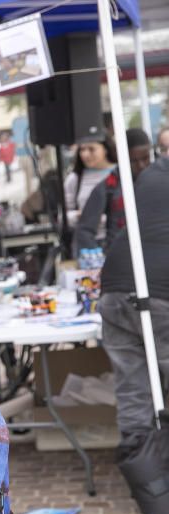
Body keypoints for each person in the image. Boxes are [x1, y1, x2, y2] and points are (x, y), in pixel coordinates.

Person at [99, 154, 169, 454]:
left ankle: (146, 478)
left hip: (115, 283)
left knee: (132, 388)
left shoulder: (153, 172)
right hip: (155, 288)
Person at [75, 128, 152, 253]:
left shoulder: (160, 178)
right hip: (121, 256)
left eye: (145, 158)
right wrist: (98, 259)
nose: (141, 165)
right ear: (122, 157)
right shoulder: (109, 184)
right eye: (133, 161)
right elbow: (84, 230)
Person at [63, 128, 116, 228]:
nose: (85, 154)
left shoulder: (121, 174)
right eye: (82, 149)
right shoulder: (74, 179)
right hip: (86, 240)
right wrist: (77, 216)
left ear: (105, 149)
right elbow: (63, 217)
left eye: (91, 149)